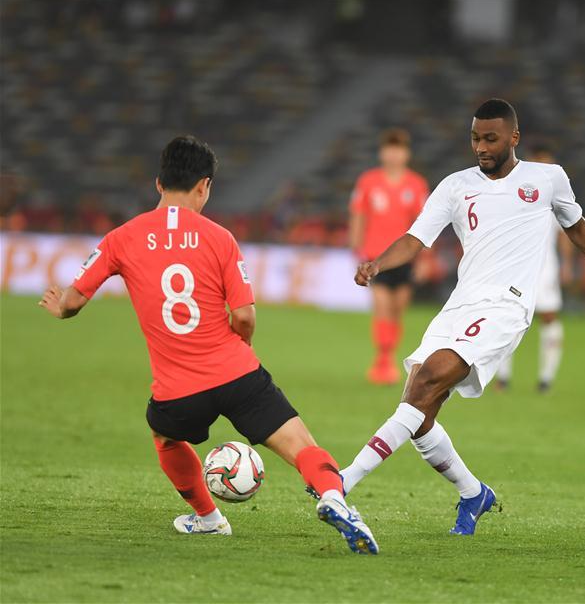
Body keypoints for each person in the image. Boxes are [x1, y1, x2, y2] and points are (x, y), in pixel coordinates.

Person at [39, 136, 379, 554]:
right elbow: (244, 315)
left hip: (178, 390)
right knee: (301, 445)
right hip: (238, 374)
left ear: (158, 183)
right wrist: (242, 345)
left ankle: (208, 519)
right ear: (204, 186)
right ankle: (332, 497)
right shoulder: (220, 238)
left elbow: (73, 301)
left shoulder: (121, 238)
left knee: (164, 437)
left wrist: (59, 308)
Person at [338, 99, 585, 535]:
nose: (481, 147)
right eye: (475, 138)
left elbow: (575, 223)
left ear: (514, 138)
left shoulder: (547, 178)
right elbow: (416, 238)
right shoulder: (455, 186)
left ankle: (343, 481)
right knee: (419, 410)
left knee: (428, 380)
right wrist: (377, 263)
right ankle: (473, 493)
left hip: (506, 306)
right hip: (460, 304)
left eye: (490, 138)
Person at [348, 128, 430, 385]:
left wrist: (425, 258)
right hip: (376, 257)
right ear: (382, 152)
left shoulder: (416, 185)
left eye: (399, 149)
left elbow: (425, 223)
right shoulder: (368, 182)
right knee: (382, 307)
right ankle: (382, 361)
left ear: (406, 153)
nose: (394, 154)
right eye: (390, 149)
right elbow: (358, 215)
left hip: (405, 257)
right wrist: (356, 248)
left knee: (397, 310)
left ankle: (388, 357)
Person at [495, 144, 575, 393]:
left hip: (545, 268)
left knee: (548, 317)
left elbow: (565, 232)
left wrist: (567, 265)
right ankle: (502, 377)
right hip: (515, 267)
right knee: (506, 317)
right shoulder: (513, 192)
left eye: (547, 163)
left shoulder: (556, 195)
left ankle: (546, 379)